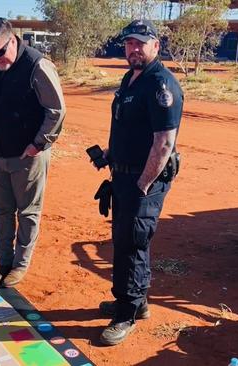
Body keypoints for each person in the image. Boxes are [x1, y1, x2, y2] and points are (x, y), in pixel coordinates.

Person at [95, 19, 184, 346]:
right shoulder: (132, 78)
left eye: (140, 44)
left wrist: (142, 185)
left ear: (155, 46)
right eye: (129, 43)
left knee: (131, 244)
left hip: (143, 181)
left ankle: (125, 314)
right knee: (130, 242)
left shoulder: (161, 84)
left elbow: (164, 143)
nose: (133, 49)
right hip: (124, 175)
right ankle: (135, 302)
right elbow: (130, 129)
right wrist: (109, 154)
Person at [0, 18, 66, 288]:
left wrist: (38, 144)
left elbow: (56, 111)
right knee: (1, 210)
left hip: (28, 157)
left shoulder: (37, 65)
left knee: (27, 212)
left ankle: (20, 264)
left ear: (13, 40)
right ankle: (3, 262)